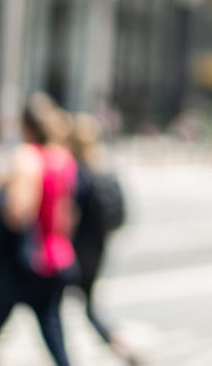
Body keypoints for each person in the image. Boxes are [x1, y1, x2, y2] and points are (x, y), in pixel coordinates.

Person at [0, 93, 78, 366]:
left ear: (25, 126)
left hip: (25, 262)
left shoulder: (26, 157)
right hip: (56, 257)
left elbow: (18, 213)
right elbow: (69, 215)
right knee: (53, 333)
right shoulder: (62, 158)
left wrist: (5, 189)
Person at [68, 113, 139, 363]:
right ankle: (122, 347)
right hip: (98, 248)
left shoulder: (79, 172)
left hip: (76, 249)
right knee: (87, 306)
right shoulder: (105, 166)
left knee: (52, 303)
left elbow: (70, 214)